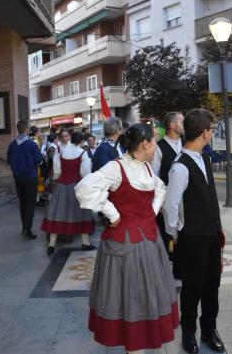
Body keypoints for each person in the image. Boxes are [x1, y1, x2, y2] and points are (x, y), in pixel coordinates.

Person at [74, 123, 178, 354]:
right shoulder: (116, 167)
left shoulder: (146, 168)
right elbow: (84, 188)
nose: (156, 147)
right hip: (125, 245)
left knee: (147, 296)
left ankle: (141, 342)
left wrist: (149, 212)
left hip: (149, 243)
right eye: (154, 141)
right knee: (128, 297)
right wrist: (112, 212)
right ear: (145, 144)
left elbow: (160, 189)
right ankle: (134, 346)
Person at [163, 108, 225, 354]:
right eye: (211, 128)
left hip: (211, 234)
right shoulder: (180, 166)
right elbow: (171, 205)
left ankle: (209, 329)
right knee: (192, 288)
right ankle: (189, 333)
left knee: (212, 285)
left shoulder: (204, 157)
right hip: (193, 237)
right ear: (204, 132)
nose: (212, 132)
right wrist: (176, 233)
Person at [41, 131, 94, 255]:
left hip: (62, 187)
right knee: (81, 213)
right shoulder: (83, 153)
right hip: (77, 187)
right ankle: (85, 243)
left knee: (58, 213)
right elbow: (85, 174)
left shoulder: (61, 152)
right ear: (81, 141)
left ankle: (51, 245)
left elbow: (57, 173)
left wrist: (57, 180)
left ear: (71, 138)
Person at [152, 112, 184, 256]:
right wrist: (158, 200)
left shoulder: (185, 143)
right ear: (172, 125)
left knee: (183, 232)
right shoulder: (159, 147)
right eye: (182, 122)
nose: (185, 125)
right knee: (167, 233)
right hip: (167, 199)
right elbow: (154, 175)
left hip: (185, 198)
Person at [7, 120, 43, 240]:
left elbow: (9, 161)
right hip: (30, 177)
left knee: (22, 203)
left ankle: (24, 227)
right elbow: (39, 159)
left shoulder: (12, 145)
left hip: (18, 178)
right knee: (30, 204)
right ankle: (28, 229)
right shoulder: (31, 144)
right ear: (26, 129)